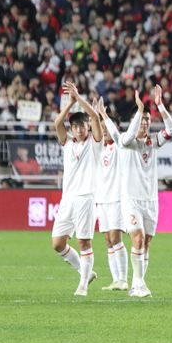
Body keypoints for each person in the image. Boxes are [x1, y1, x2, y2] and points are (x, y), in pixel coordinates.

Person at [103, 84, 172, 297]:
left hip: (150, 200)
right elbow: (123, 137)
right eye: (141, 120)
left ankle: (138, 283)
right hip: (131, 200)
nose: (144, 124)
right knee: (137, 238)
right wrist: (139, 110)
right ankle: (138, 284)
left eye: (147, 120)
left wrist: (160, 106)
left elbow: (171, 130)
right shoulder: (127, 142)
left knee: (146, 243)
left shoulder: (152, 142)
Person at [51, 82, 102, 296]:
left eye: (82, 126)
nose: (80, 129)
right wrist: (70, 104)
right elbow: (57, 123)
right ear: (72, 130)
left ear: (87, 127)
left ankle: (82, 286)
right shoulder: (68, 144)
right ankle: (84, 271)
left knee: (83, 241)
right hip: (68, 199)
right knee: (57, 243)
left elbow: (97, 118)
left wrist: (80, 99)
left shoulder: (94, 143)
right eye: (76, 127)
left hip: (86, 198)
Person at [94, 101, 128, 291]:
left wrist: (105, 116)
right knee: (108, 240)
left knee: (116, 237)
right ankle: (116, 280)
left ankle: (123, 279)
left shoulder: (120, 146)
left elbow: (115, 134)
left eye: (107, 126)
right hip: (102, 199)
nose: (104, 130)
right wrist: (94, 114)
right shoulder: (100, 148)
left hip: (117, 198)